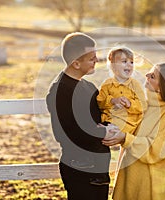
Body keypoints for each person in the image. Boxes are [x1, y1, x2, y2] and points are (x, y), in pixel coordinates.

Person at [46, 32, 118, 200]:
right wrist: (103, 133)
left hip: (99, 164)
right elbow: (66, 133)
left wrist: (109, 127)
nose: (97, 60)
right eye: (92, 58)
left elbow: (97, 120)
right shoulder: (60, 91)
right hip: (79, 166)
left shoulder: (89, 86)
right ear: (76, 63)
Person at [102, 63, 165, 200]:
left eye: (152, 76)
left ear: (162, 87)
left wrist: (125, 138)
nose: (146, 75)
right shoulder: (145, 106)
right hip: (129, 179)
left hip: (148, 187)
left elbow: (156, 151)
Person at [97, 46, 147, 135]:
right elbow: (100, 102)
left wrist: (130, 104)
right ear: (113, 66)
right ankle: (107, 131)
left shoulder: (135, 85)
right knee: (103, 129)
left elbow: (143, 105)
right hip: (110, 120)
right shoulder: (107, 84)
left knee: (114, 130)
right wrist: (112, 101)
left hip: (130, 123)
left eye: (131, 62)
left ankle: (113, 133)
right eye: (124, 62)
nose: (129, 65)